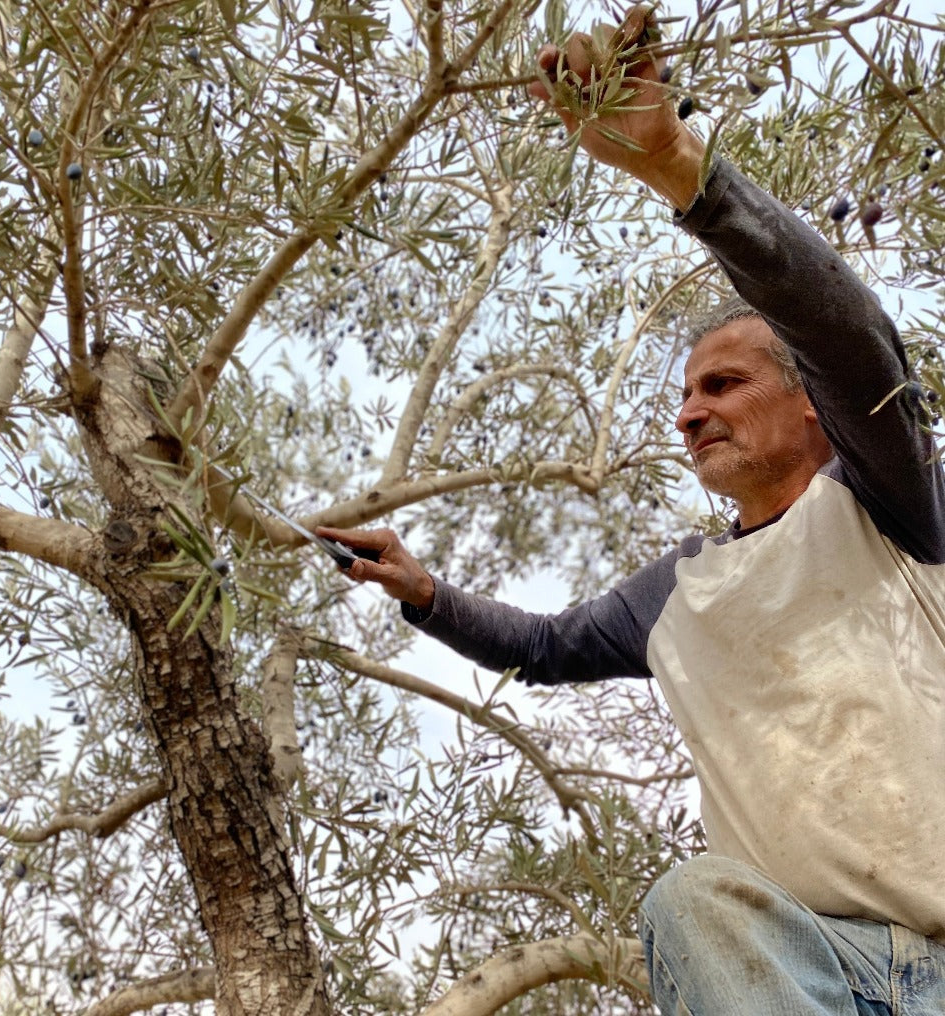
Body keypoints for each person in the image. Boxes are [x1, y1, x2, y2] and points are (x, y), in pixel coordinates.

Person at [319, 6, 945, 1013]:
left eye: (723, 384)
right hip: (798, 969)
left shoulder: (889, 500)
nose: (689, 414)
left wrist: (680, 172)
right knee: (691, 899)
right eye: (684, 395)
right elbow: (549, 644)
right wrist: (421, 590)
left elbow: (850, 339)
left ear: (808, 404)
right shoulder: (679, 589)